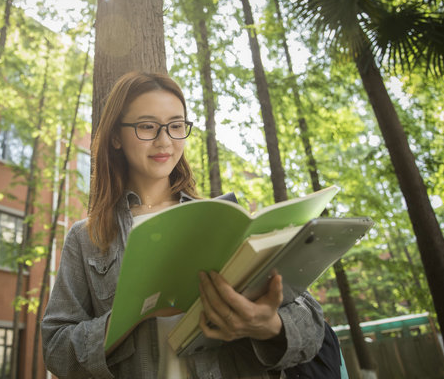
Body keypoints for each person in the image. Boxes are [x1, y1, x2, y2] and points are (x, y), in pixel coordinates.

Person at [41, 71, 325, 378]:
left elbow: (312, 325)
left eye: (176, 126)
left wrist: (268, 325)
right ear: (115, 137)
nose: (165, 141)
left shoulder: (223, 220)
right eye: (147, 126)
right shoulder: (87, 238)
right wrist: (130, 316)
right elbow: (56, 350)